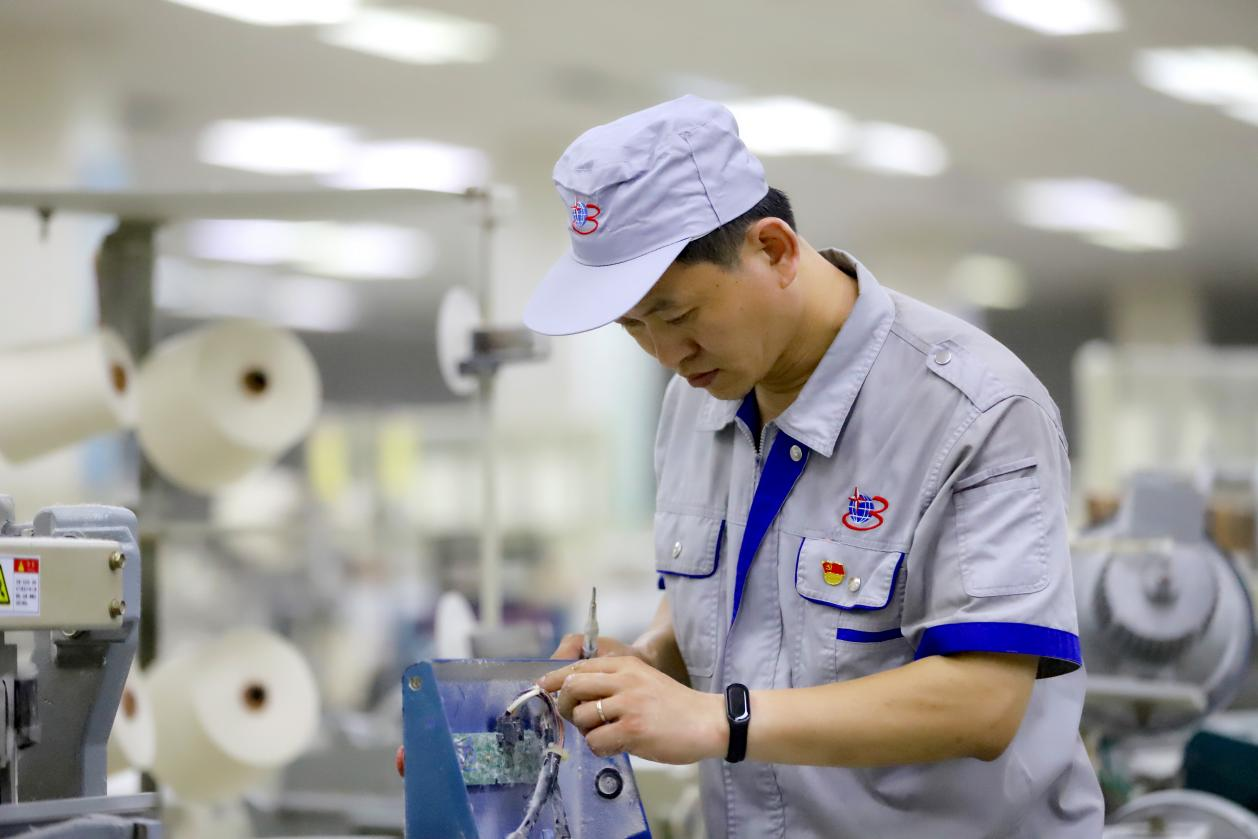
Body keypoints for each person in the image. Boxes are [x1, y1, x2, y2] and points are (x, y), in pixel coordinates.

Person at [528, 96, 1104, 838]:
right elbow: (710, 616)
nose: (667, 354)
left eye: (676, 315)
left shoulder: (976, 410)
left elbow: (982, 703)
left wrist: (720, 719)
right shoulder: (693, 405)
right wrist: (640, 667)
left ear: (774, 250)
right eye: (633, 326)